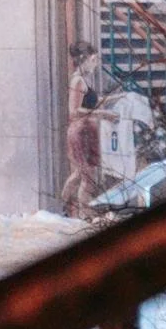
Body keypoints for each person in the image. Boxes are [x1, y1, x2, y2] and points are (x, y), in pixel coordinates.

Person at [63, 42, 102, 216]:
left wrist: (116, 97)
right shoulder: (77, 80)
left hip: (88, 130)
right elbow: (74, 111)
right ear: (83, 60)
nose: (96, 63)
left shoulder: (84, 79)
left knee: (82, 173)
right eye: (94, 60)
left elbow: (92, 102)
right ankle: (85, 215)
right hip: (80, 132)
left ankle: (63, 204)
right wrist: (103, 113)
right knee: (88, 176)